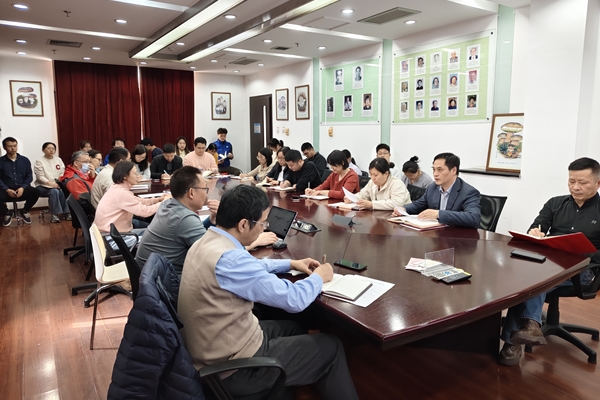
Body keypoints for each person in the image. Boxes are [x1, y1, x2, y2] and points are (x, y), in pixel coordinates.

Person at [178, 184, 358, 400]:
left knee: (294, 327)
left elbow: (249, 269)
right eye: (263, 223)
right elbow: (294, 299)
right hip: (233, 371)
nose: (264, 228)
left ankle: (299, 381)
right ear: (243, 224)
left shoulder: (209, 241)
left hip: (219, 346)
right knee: (331, 347)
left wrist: (290, 263)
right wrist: (319, 277)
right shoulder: (231, 259)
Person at [498, 157, 600, 366]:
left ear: (598, 183)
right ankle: (530, 326)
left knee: (531, 283)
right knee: (524, 276)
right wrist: (535, 232)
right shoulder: (556, 203)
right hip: (549, 262)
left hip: (584, 270)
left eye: (583, 182)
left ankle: (512, 342)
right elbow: (536, 226)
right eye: (571, 181)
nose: (576, 187)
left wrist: (586, 253)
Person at [135, 167, 277, 276]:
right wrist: (255, 242)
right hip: (167, 285)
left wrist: (212, 219)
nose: (206, 193)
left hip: (149, 278)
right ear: (191, 193)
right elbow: (217, 254)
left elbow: (197, 238)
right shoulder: (185, 219)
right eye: (204, 189)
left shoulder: (169, 204)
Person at [393, 153, 481, 228]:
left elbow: (473, 218)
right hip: (436, 234)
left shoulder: (468, 192)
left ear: (453, 170)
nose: (435, 174)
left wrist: (438, 214)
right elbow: (419, 204)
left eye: (440, 170)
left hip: (458, 237)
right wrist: (404, 209)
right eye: (434, 169)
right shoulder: (432, 187)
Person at [94, 161, 170, 236]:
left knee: (154, 231)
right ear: (125, 176)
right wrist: (163, 203)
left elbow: (139, 201)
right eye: (135, 173)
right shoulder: (122, 193)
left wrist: (158, 199)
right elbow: (145, 212)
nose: (138, 176)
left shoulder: (117, 188)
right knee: (158, 235)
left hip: (110, 233)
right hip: (113, 237)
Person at [0, 137, 40, 226]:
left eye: (15, 146)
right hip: (6, 190)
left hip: (21, 189)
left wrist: (22, 187)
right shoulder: (1, 161)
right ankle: (7, 213)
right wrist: (7, 189)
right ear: (4, 147)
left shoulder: (25, 160)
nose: (13, 148)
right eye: (10, 146)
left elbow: (29, 176)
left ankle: (24, 211)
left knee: (36, 192)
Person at [34, 142, 70, 223]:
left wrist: (59, 182)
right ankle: (55, 214)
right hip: (42, 186)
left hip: (56, 185)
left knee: (62, 191)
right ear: (43, 150)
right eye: (49, 148)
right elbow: (40, 177)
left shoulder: (58, 160)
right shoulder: (39, 161)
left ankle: (66, 213)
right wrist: (51, 184)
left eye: (53, 149)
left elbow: (62, 172)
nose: (51, 150)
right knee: (54, 191)